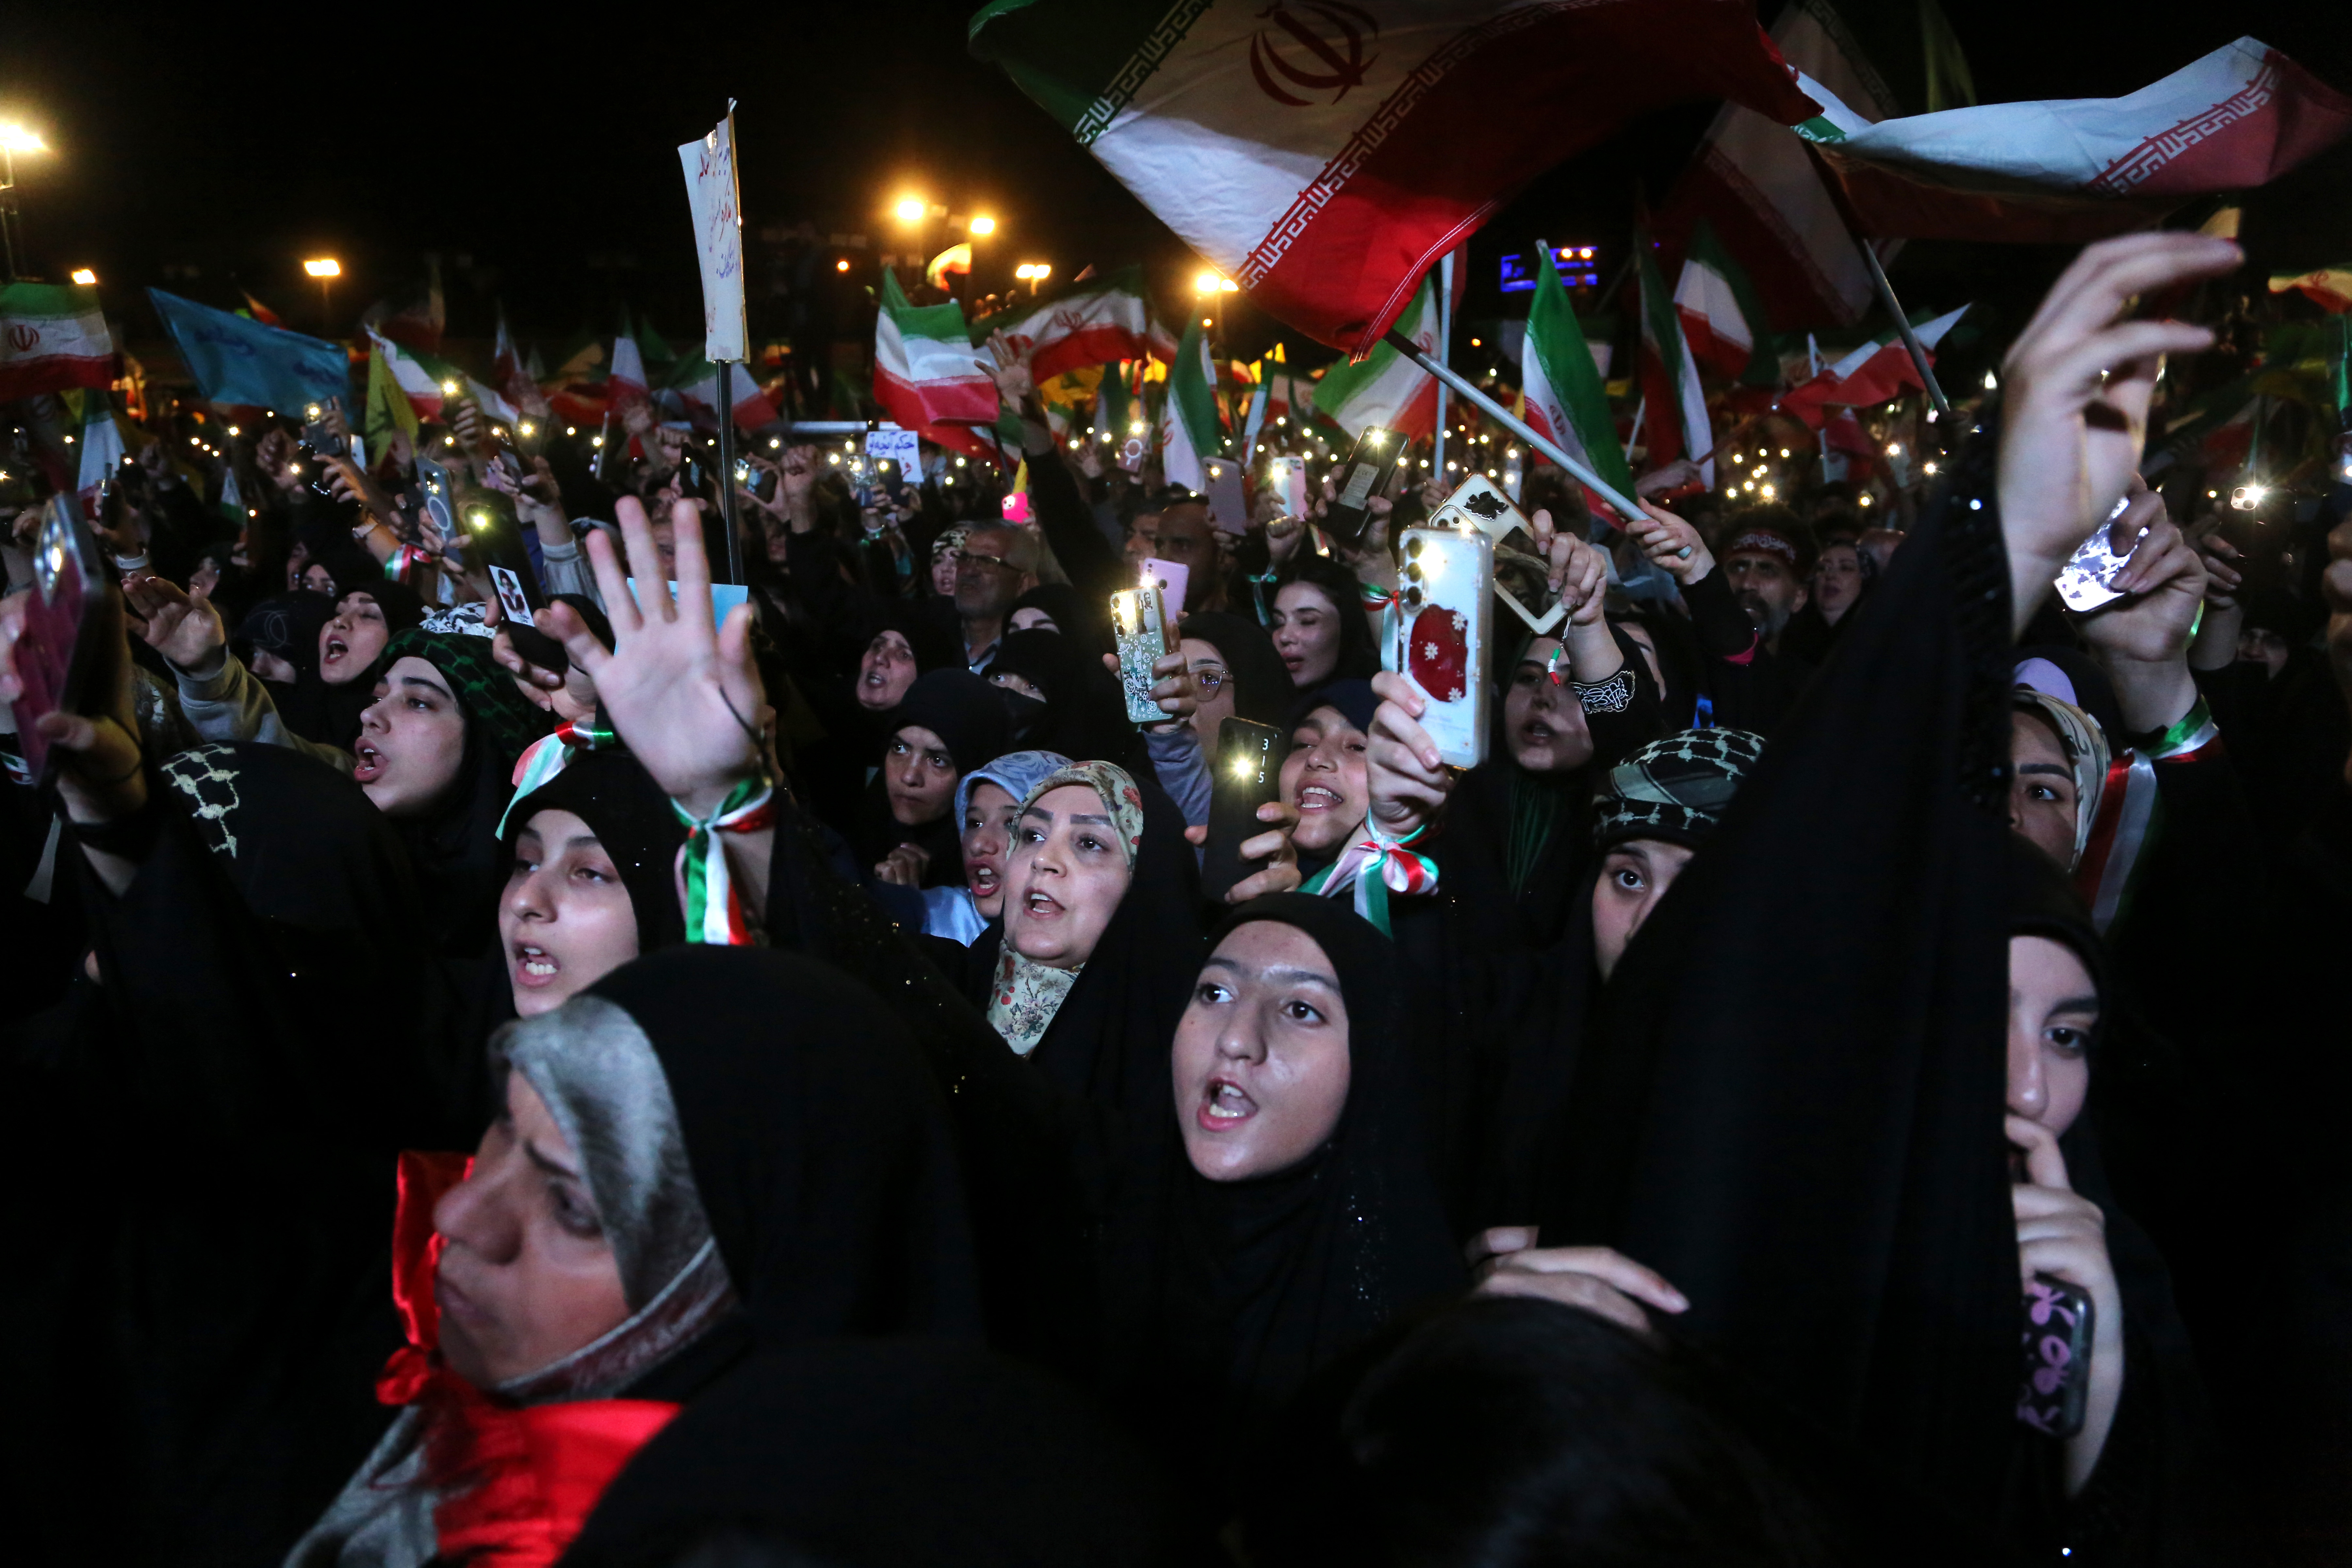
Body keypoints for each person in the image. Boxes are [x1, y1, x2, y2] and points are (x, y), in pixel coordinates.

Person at [288, 947, 981, 1567]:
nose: (456, 1214)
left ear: (720, 1297)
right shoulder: (378, 1373)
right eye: (503, 1121)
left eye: (574, 1209)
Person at [859, 668, 1011, 891]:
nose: (909, 776)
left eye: (938, 761)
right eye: (900, 749)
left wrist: (911, 904)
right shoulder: (856, 833)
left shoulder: (992, 876)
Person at [1270, 555, 1377, 694]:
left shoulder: (1360, 699)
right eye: (1279, 623)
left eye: (1307, 621)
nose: (1284, 637)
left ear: (1347, 628)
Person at [953, 523, 1040, 671]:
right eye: (964, 558)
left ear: (1023, 583)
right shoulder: (931, 639)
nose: (969, 572)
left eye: (987, 562)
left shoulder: (1033, 658)